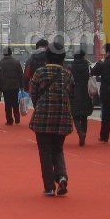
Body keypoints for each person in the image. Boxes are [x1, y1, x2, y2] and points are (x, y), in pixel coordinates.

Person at [29, 42, 74, 197]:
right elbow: (70, 93)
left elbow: (33, 94)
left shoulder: (40, 72)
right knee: (58, 149)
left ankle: (49, 187)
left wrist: (39, 105)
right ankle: (62, 176)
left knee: (45, 152)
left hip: (43, 117)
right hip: (62, 116)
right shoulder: (67, 74)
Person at [69, 51, 93, 146]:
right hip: (85, 92)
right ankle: (84, 133)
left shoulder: (71, 67)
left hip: (74, 92)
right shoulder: (87, 66)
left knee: (75, 115)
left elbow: (69, 81)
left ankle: (80, 132)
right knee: (84, 116)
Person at [0, 47, 23, 125]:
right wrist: (21, 85)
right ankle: (17, 117)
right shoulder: (16, 62)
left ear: (3, 53)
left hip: (5, 86)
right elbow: (20, 74)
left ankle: (9, 120)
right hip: (15, 85)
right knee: (15, 102)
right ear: (11, 53)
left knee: (7, 103)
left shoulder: (1, 63)